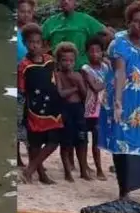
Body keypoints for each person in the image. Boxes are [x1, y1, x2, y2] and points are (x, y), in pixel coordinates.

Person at [99, 0, 140, 200]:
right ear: (128, 22)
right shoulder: (119, 43)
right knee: (124, 145)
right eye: (136, 22)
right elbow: (120, 73)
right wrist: (118, 102)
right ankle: (125, 190)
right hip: (125, 103)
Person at [18, 23, 63, 184]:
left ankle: (29, 170)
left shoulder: (50, 60)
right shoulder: (23, 65)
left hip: (53, 109)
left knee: (53, 142)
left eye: (37, 42)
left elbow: (55, 81)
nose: (34, 45)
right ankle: (41, 175)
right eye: (31, 42)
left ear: (42, 42)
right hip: (34, 110)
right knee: (35, 144)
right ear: (25, 43)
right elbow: (22, 90)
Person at [55, 42, 90, 181]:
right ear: (59, 61)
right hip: (65, 111)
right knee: (66, 142)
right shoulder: (58, 75)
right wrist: (74, 87)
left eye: (71, 60)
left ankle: (83, 170)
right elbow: (61, 93)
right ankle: (67, 171)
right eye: (64, 60)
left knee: (82, 141)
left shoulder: (78, 75)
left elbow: (85, 95)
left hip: (78, 110)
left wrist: (79, 83)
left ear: (75, 61)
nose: (68, 63)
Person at [42, 0, 107, 71]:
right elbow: (36, 40)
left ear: (75, 1)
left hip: (82, 70)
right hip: (58, 71)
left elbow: (108, 35)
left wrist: (100, 55)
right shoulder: (50, 22)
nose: (66, 1)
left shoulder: (86, 19)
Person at [81, 36, 110, 180]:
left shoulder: (105, 67)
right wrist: (110, 80)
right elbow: (95, 87)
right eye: (91, 51)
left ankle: (98, 168)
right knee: (85, 140)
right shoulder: (85, 69)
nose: (94, 54)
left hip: (102, 108)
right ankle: (86, 165)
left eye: (97, 51)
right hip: (89, 109)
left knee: (97, 140)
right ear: (86, 53)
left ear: (102, 52)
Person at [15, 0, 36, 168]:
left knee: (30, 121)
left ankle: (32, 157)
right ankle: (17, 156)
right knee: (17, 119)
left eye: (29, 11)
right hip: (16, 81)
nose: (26, 14)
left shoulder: (35, 34)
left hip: (31, 82)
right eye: (22, 11)